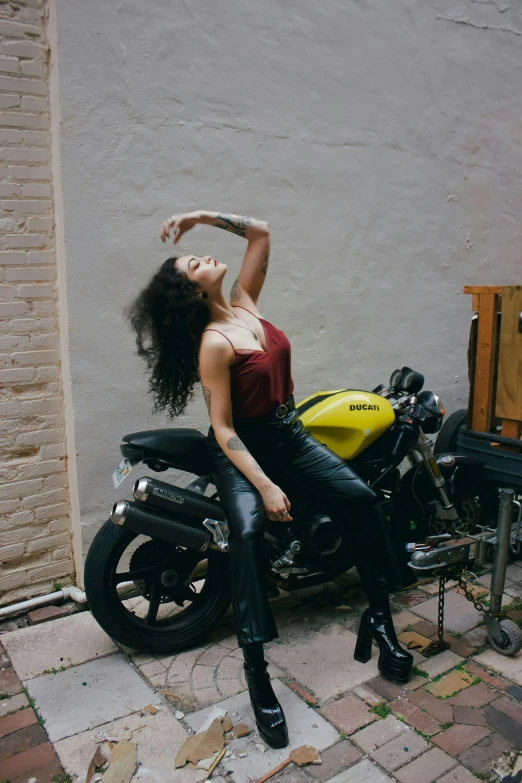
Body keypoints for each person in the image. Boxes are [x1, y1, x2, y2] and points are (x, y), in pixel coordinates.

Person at [127, 209, 413, 749]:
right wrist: (264, 485)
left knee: (364, 499)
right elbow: (224, 428)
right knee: (250, 536)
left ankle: (381, 622)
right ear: (189, 292)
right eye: (194, 262)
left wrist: (199, 217)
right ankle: (258, 674)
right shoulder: (214, 342)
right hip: (241, 453)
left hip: (290, 435)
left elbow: (260, 231)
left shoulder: (245, 303)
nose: (205, 256)